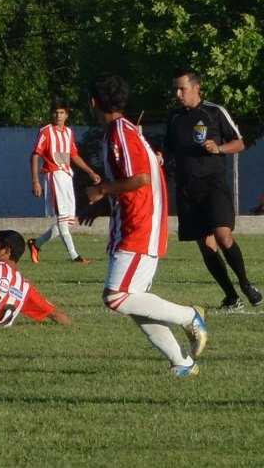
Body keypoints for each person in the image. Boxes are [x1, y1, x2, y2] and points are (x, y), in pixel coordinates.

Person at [85, 73, 207, 378]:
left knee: (116, 296)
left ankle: (189, 315)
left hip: (140, 224)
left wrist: (102, 189)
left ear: (93, 102)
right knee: (135, 301)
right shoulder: (117, 132)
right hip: (131, 222)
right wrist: (103, 201)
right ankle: (182, 363)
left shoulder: (121, 132)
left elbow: (140, 178)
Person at [165, 68, 261, 310]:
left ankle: (246, 284)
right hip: (187, 188)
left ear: (196, 87)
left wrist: (219, 148)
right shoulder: (174, 117)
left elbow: (239, 143)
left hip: (213, 184)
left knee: (222, 235)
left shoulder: (214, 111)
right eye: (176, 89)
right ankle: (231, 296)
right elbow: (168, 150)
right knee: (206, 246)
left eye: (182, 89)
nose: (178, 94)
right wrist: (159, 157)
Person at [27, 97, 102, 264]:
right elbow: (35, 155)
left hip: (67, 176)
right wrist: (35, 181)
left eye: (61, 112)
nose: (58, 115)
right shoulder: (46, 131)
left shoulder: (68, 132)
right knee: (62, 218)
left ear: (67, 115)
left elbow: (73, 155)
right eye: (55, 112)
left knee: (67, 222)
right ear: (51, 114)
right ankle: (75, 256)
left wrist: (90, 172)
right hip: (54, 176)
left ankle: (36, 244)